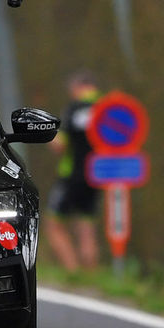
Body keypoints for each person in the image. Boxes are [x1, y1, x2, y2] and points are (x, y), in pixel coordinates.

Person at [46, 70, 102, 271]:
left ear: (77, 87)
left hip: (71, 176)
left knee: (54, 224)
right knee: (87, 226)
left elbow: (60, 144)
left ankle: (73, 272)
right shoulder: (106, 108)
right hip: (97, 175)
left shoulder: (74, 108)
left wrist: (48, 135)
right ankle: (91, 276)